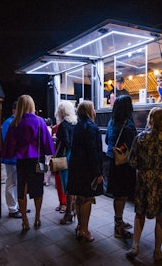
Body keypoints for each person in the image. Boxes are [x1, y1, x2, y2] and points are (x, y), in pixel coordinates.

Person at [126, 107, 162, 262]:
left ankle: (135, 246)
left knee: (140, 212)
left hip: (145, 180)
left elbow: (132, 161)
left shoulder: (140, 138)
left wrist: (145, 169)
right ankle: (157, 252)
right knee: (161, 215)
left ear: (149, 119)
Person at [1, 95, 55, 231]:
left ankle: (24, 220)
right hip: (39, 161)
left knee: (22, 189)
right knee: (38, 189)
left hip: (22, 161)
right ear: (32, 105)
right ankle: (37, 217)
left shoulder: (15, 123)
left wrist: (8, 155)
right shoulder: (40, 121)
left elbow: (9, 146)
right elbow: (47, 143)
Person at [67, 100, 103, 242]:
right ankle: (84, 230)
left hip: (76, 167)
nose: (94, 111)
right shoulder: (91, 128)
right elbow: (93, 152)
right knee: (88, 198)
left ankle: (79, 226)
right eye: (93, 108)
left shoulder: (77, 127)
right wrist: (98, 172)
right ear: (88, 111)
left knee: (79, 197)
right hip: (88, 169)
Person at [105, 95, 137, 239]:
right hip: (124, 164)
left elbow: (107, 140)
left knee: (118, 194)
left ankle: (119, 220)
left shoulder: (111, 122)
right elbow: (133, 145)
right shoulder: (128, 125)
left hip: (113, 161)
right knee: (121, 194)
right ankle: (118, 227)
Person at [54, 101, 78, 225]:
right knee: (73, 185)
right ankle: (73, 210)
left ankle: (68, 213)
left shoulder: (63, 125)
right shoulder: (75, 123)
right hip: (76, 157)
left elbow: (65, 143)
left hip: (66, 157)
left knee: (67, 186)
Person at [1, 101, 21, 218]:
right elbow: (8, 142)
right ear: (14, 110)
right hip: (11, 157)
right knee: (11, 183)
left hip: (15, 157)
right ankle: (12, 209)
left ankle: (16, 206)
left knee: (15, 183)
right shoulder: (9, 123)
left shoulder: (12, 122)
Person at [44, 118, 53, 186]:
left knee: (44, 163)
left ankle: (44, 179)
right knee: (48, 164)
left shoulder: (43, 129)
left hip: (43, 149)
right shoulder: (50, 130)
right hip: (49, 149)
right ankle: (47, 181)